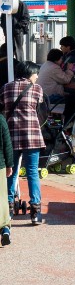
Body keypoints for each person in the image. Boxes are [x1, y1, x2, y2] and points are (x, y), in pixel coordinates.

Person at [2, 63, 46, 225]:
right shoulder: (37, 89)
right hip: (32, 136)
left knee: (10, 173)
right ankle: (35, 211)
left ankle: (8, 209)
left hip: (11, 136)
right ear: (30, 73)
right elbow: (39, 109)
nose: (37, 77)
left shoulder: (5, 88)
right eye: (36, 74)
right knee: (32, 172)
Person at [0, 105, 12, 244]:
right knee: (2, 196)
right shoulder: (1, 119)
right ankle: (5, 228)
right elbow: (7, 144)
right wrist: (10, 164)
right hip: (0, 165)